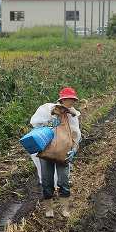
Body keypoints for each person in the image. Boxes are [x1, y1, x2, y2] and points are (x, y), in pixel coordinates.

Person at [29, 87, 81, 218]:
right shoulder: (48, 111)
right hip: (47, 150)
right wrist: (52, 123)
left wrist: (74, 149)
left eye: (73, 100)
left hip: (63, 152)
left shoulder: (72, 116)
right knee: (47, 181)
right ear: (62, 99)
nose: (71, 102)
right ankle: (49, 209)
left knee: (64, 181)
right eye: (69, 99)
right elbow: (36, 126)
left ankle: (65, 209)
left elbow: (76, 134)